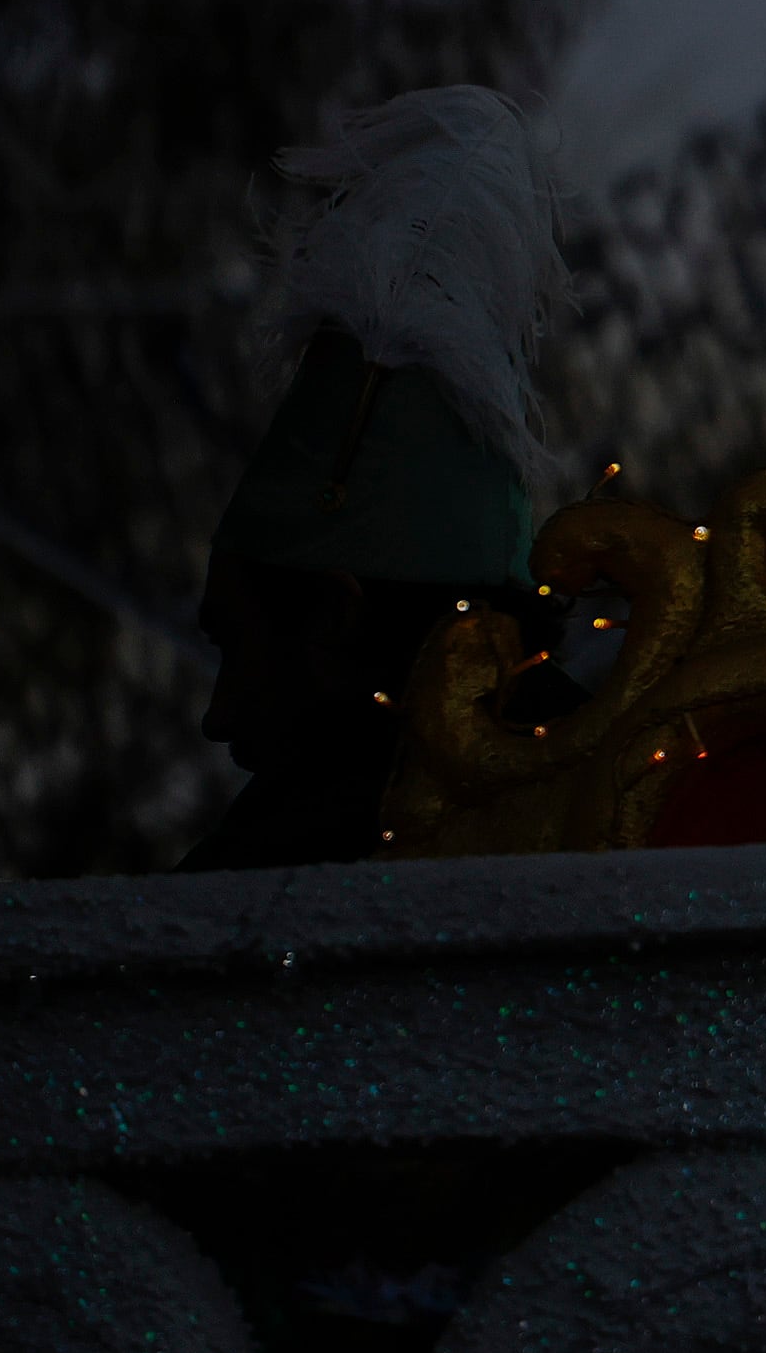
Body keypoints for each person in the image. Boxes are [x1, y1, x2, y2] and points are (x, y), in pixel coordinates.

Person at [184, 88, 573, 869]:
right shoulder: (665, 787)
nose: (216, 718)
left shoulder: (257, 891)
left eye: (235, 645)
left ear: (335, 616)